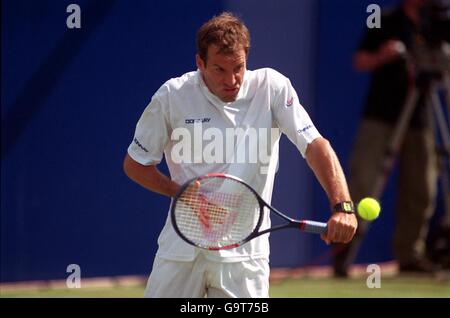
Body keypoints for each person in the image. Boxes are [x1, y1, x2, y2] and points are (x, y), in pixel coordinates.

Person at [123, 12, 357, 298]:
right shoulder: (172, 96)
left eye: (238, 67)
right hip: (181, 252)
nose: (231, 79)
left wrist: (342, 206)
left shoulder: (272, 88)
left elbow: (314, 145)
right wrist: (178, 191)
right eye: (219, 69)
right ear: (200, 63)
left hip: (245, 260)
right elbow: (135, 164)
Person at [333, 0, 441, 277]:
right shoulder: (382, 18)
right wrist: (384, 55)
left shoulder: (435, 22)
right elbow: (360, 60)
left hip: (421, 116)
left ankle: (410, 255)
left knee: (422, 187)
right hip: (380, 115)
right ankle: (344, 251)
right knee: (363, 182)